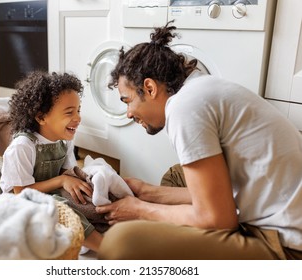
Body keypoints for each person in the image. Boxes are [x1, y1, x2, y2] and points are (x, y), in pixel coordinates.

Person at [95, 22, 302, 259]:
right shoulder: (199, 89)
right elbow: (224, 193)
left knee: (121, 242)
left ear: (150, 88)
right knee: (175, 176)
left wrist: (141, 210)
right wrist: (147, 192)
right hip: (272, 209)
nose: (129, 113)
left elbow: (217, 219)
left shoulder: (184, 107)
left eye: (127, 100)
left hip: (285, 245)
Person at [0, 71, 102, 252]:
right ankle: (105, 247)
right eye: (69, 112)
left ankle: (96, 231)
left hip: (49, 194)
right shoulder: (23, 146)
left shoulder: (65, 140)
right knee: (57, 205)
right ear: (41, 117)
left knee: (85, 196)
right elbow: (21, 192)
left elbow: (69, 172)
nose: (77, 118)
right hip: (17, 205)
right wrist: (61, 181)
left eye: (78, 110)